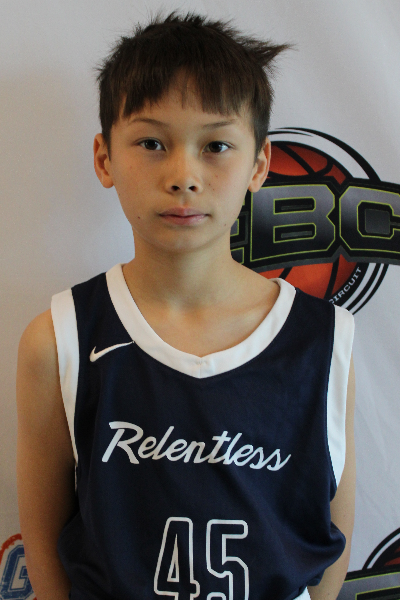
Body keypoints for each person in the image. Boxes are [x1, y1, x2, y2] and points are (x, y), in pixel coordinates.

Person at [16, 10, 356, 600]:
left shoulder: (322, 338)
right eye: (151, 143)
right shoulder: (59, 339)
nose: (183, 175)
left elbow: (329, 539)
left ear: (258, 164)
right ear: (104, 157)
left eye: (216, 145)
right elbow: (43, 545)